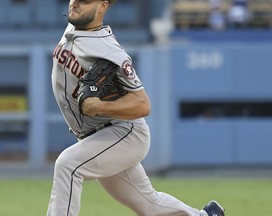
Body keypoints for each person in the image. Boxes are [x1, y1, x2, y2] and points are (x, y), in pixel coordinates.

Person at [46, 0, 226, 215]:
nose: (75, 3)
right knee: (148, 204)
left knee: (68, 165)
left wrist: (101, 105)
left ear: (102, 6)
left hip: (124, 133)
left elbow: (142, 104)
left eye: (85, 1)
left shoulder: (109, 50)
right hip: (96, 137)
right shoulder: (73, 26)